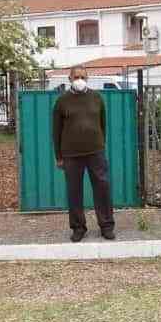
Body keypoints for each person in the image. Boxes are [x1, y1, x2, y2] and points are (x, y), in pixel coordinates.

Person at [52, 66, 115, 242]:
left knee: (102, 188)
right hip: (71, 154)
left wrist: (100, 144)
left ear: (87, 78)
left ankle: (106, 226)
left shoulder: (97, 98)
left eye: (82, 77)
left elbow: (103, 124)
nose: (79, 80)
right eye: (76, 77)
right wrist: (58, 156)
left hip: (96, 152)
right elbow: (56, 130)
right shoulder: (62, 101)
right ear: (69, 79)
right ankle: (78, 227)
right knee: (74, 191)